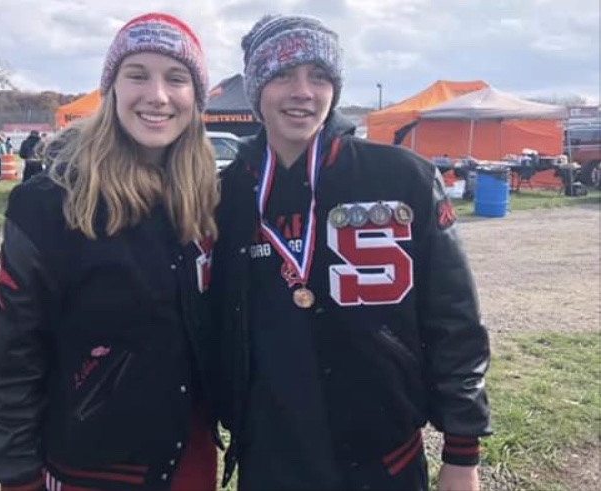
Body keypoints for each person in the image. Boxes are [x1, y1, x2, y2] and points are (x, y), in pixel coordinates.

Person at [210, 14, 491, 491]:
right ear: (256, 87)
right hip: (270, 456)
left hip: (384, 457)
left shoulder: (403, 178)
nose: (303, 91)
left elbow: (455, 319)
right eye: (283, 75)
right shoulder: (225, 193)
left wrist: (462, 454)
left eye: (319, 77)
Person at [0, 12, 220, 491]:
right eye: (137, 74)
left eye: (177, 78)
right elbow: (6, 355)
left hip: (190, 463)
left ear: (196, 97)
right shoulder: (51, 202)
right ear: (111, 90)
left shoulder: (206, 199)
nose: (158, 95)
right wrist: (17, 476)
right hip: (90, 466)